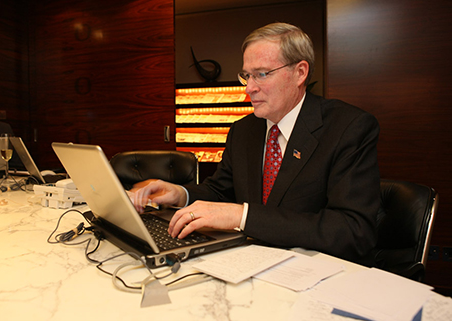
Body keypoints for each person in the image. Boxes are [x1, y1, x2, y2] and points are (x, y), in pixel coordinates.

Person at [131, 22, 381, 263]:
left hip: (317, 275)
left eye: (261, 74)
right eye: (246, 76)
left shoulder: (348, 127)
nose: (249, 88)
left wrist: (243, 216)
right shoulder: (243, 130)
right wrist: (180, 194)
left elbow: (353, 230)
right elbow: (221, 191)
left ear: (300, 73)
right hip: (249, 264)